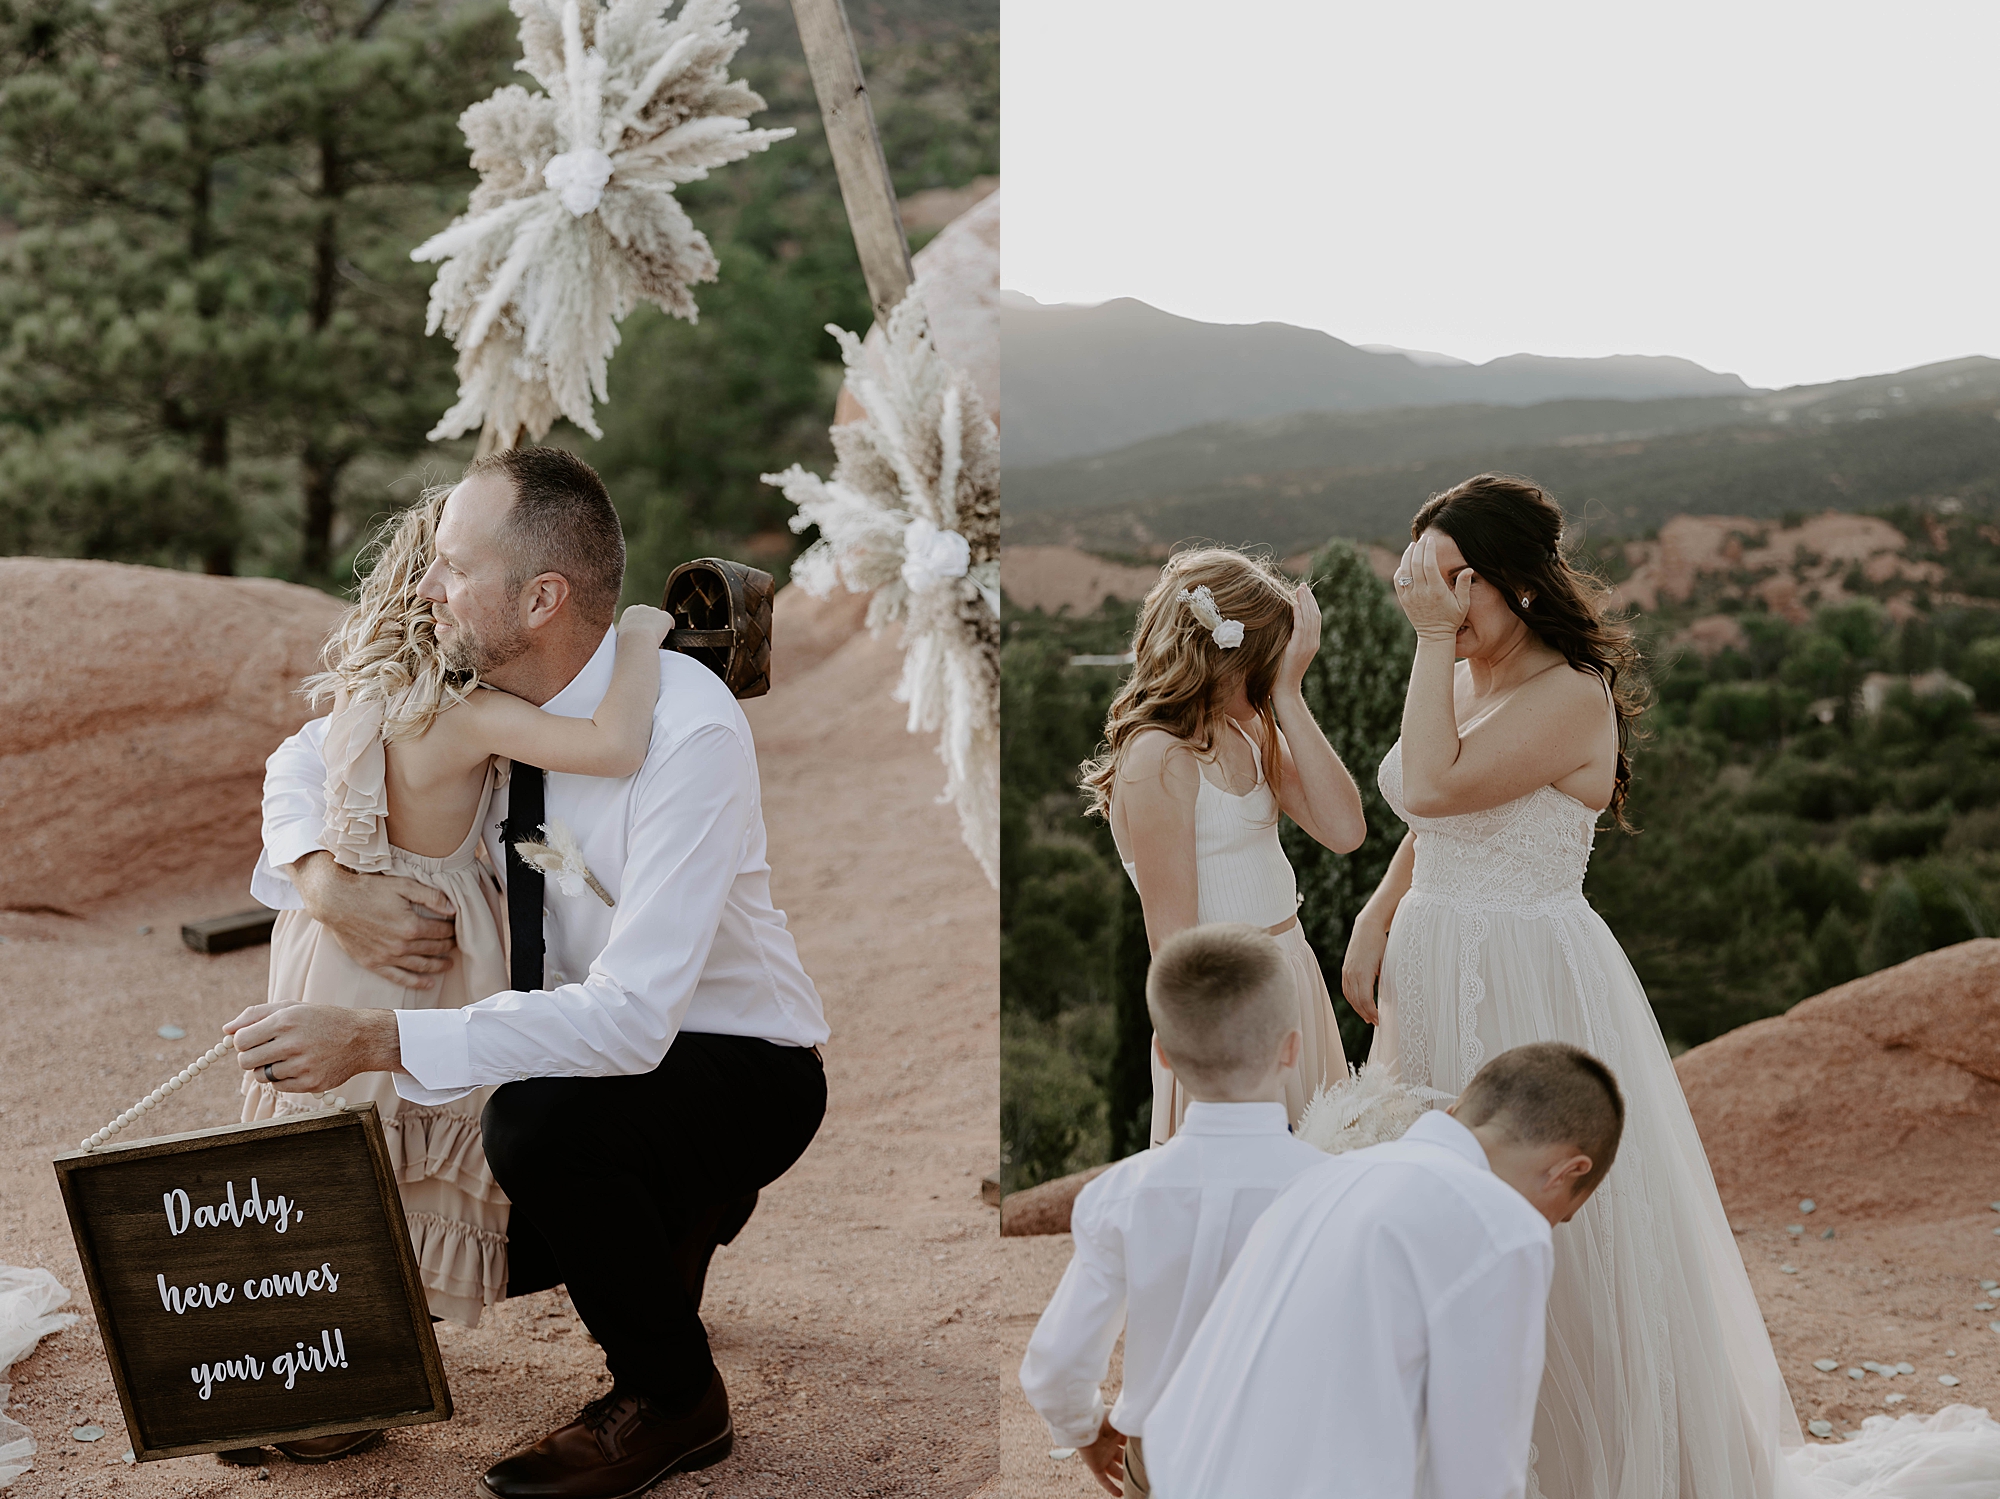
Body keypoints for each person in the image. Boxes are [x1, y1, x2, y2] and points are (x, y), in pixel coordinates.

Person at [224, 446, 829, 1499]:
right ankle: (666, 1219)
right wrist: (323, 879)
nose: (424, 584)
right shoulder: (470, 689)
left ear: (540, 595)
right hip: (571, 1040)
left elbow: (636, 1022)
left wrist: (375, 1038)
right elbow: (302, 756)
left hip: (728, 1060)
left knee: (534, 1132)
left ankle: (672, 1394)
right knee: (479, 1179)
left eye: (452, 566)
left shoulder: (683, 730)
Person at [238, 489, 675, 1334]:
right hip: (425, 941)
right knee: (408, 1134)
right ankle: (377, 1335)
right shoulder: (467, 712)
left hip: (320, 953)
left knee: (331, 1139)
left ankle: (299, 1341)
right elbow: (615, 745)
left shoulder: (370, 694)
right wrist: (640, 640)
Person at [1144, 1042, 1625, 1499]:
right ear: (1567, 1171)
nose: (1546, 1225)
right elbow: (1478, 1475)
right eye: (1560, 1214)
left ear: (1457, 1111)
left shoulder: (1314, 1181)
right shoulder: (1504, 1225)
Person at [1019, 923, 1329, 1497]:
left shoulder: (1124, 1195)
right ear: (1292, 1047)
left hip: (1166, 1459)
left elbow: (1058, 1362)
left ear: (1161, 1054)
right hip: (1296, 1463)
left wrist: (1084, 1430)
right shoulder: (1332, 1189)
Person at [1080, 548, 1368, 1145]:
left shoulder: (1253, 726)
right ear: (1221, 655)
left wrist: (1289, 696)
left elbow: (1345, 830)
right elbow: (1173, 941)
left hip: (1292, 974)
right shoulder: (1157, 756)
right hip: (1225, 998)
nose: (1272, 677)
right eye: (1267, 664)